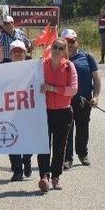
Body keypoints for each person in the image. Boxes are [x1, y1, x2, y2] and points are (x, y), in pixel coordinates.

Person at [37, 38, 77, 193]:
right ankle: (44, 176)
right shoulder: (41, 65)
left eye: (61, 48)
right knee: (43, 145)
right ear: (50, 48)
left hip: (63, 112)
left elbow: (73, 90)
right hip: (44, 111)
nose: (57, 50)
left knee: (59, 147)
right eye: (55, 47)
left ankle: (56, 177)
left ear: (65, 51)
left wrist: (52, 88)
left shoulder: (69, 67)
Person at [62, 29, 101, 168]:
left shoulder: (87, 57)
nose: (70, 44)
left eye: (72, 41)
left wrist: (95, 97)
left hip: (85, 101)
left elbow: (96, 79)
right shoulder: (58, 59)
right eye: (66, 42)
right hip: (65, 101)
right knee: (67, 130)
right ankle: (67, 158)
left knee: (83, 128)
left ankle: (83, 154)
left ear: (77, 41)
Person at [0, 40, 33, 181]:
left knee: (29, 138)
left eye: (20, 51)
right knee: (11, 140)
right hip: (9, 110)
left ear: (25, 53)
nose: (18, 53)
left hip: (29, 109)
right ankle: (17, 170)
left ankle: (27, 159)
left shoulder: (33, 68)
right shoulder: (2, 69)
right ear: (10, 53)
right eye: (15, 51)